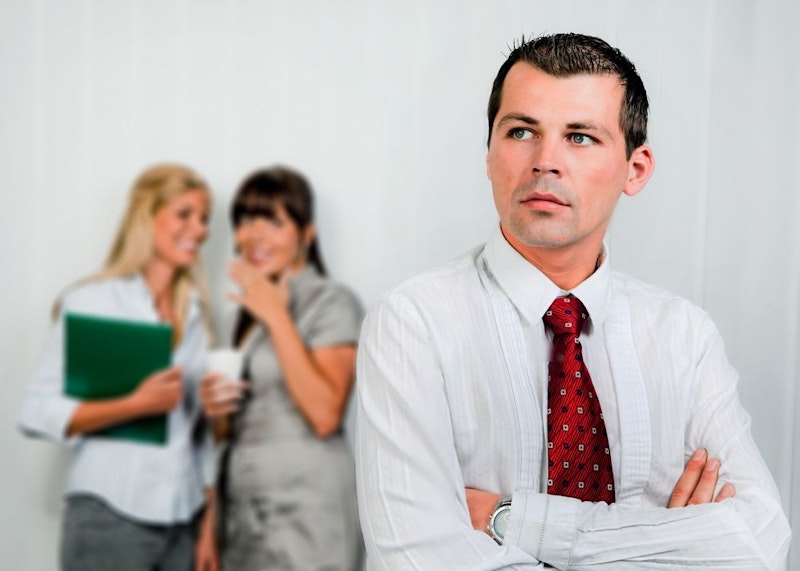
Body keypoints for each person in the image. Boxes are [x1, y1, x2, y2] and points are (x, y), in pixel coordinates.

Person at [354, 33, 791, 569]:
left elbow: (759, 539)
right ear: (489, 154)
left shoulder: (684, 336)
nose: (545, 161)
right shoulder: (413, 323)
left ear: (636, 169)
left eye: (580, 137)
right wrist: (667, 543)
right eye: (520, 131)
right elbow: (416, 560)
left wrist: (511, 519)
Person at [18, 163, 219, 570]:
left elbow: (202, 441)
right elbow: (36, 412)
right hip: (110, 516)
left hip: (183, 523)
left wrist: (209, 529)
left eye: (204, 218)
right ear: (147, 216)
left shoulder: (198, 315)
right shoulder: (93, 302)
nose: (199, 230)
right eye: (185, 214)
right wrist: (134, 404)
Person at [200, 165, 363, 570]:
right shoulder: (241, 314)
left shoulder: (332, 302)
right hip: (242, 509)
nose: (254, 236)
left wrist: (276, 314)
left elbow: (325, 415)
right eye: (245, 220)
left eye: (273, 221)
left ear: (306, 235)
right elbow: (227, 433)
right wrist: (214, 411)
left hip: (307, 508)